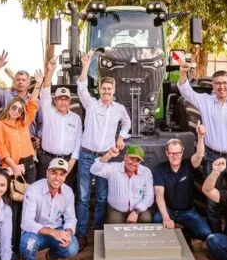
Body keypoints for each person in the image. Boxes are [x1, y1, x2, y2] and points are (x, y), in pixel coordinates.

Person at [178, 67, 227, 233]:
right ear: (212, 86)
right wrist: (182, 72)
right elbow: (185, 90)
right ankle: (216, 238)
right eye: (218, 83)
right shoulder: (205, 101)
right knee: (212, 201)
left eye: (225, 83)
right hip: (213, 157)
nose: (221, 86)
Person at [75, 50, 131, 246]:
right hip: (86, 156)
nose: (106, 92)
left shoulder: (119, 109)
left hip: (105, 159)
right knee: (82, 197)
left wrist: (121, 138)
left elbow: (126, 123)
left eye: (109, 89)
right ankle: (81, 235)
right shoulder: (91, 105)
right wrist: (85, 65)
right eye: (104, 89)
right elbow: (81, 87)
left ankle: (98, 233)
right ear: (99, 89)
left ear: (114, 90)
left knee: (101, 197)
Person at [19, 158, 79, 260]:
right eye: (54, 173)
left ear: (65, 176)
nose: (57, 178)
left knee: (72, 247)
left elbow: (70, 219)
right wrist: (53, 232)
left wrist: (67, 233)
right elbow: (27, 222)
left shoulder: (68, 192)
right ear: (47, 173)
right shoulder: (34, 190)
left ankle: (52, 257)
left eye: (62, 174)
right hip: (35, 231)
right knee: (27, 245)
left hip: (56, 229)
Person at [152, 128, 211, 245]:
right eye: (172, 153)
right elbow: (159, 195)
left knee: (205, 232)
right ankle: (170, 237)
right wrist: (166, 217)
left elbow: (199, 155)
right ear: (167, 153)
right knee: (156, 220)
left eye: (178, 153)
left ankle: (185, 232)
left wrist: (200, 136)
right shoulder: (160, 169)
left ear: (182, 153)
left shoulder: (188, 165)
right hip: (169, 210)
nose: (175, 156)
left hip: (187, 211)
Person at [37, 57, 81, 195]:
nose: (62, 102)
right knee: (43, 192)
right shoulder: (48, 113)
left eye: (65, 99)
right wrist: (50, 71)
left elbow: (78, 142)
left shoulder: (76, 118)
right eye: (59, 99)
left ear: (69, 101)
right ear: (55, 101)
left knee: (66, 194)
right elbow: (44, 93)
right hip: (47, 159)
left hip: (67, 161)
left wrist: (72, 163)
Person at [0, 70, 43, 183]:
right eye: (14, 108)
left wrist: (38, 86)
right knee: (12, 197)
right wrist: (14, 167)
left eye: (20, 109)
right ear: (9, 107)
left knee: (28, 197)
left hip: (29, 165)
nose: (16, 111)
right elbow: (1, 149)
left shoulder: (24, 123)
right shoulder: (0, 124)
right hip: (11, 165)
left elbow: (32, 105)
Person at [90, 145, 155, 224]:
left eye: (137, 160)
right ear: (125, 157)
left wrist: (136, 211)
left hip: (139, 210)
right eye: (131, 159)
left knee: (146, 219)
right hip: (116, 209)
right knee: (114, 222)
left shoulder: (146, 172)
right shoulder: (113, 168)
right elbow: (94, 170)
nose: (133, 163)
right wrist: (108, 155)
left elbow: (149, 197)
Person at [0, 50, 42, 138]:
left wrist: (39, 138)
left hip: (29, 140)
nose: (20, 82)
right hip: (9, 139)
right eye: (18, 79)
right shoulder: (6, 96)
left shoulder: (35, 101)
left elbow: (41, 123)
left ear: (28, 83)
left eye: (23, 80)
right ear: (14, 82)